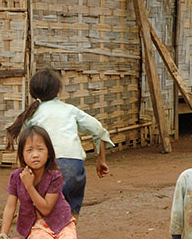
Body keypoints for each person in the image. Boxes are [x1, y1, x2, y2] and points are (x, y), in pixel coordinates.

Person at [6, 68, 114, 217]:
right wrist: (101, 160)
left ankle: (44, 237)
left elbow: (26, 147)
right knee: (70, 211)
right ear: (58, 91)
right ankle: (69, 237)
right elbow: (99, 130)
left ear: (33, 92)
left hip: (47, 166)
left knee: (43, 211)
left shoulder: (32, 115)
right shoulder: (70, 110)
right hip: (74, 167)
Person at [0, 125, 96, 239]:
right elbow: (10, 206)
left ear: (48, 153)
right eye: (29, 150)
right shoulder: (16, 177)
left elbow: (46, 209)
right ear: (22, 155)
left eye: (40, 149)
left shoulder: (55, 176)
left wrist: (29, 186)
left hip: (62, 222)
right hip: (34, 227)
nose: (35, 154)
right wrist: (3, 235)